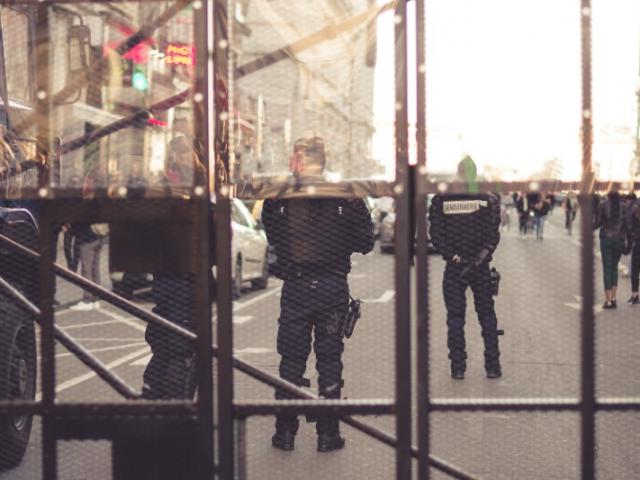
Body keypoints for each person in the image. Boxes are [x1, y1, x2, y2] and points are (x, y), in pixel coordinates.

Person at [262, 136, 374, 452]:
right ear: (323, 161)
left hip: (296, 287)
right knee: (330, 360)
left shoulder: (279, 198)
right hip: (332, 285)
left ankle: (285, 432)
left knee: (291, 361)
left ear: (297, 161)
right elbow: (365, 242)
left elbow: (273, 236)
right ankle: (328, 433)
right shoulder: (345, 196)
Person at [429, 156, 502, 380]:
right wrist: (479, 259)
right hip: (479, 267)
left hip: (454, 267)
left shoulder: (442, 198)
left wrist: (454, 257)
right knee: (487, 316)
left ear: (458, 172)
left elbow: (436, 234)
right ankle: (492, 366)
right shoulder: (486, 198)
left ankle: (458, 367)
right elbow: (493, 235)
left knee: (455, 319)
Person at [593, 187, 631, 309]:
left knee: (607, 269)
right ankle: (614, 299)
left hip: (606, 240)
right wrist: (628, 244)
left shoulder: (603, 204)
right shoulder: (625, 206)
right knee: (614, 269)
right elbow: (628, 226)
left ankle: (608, 301)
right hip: (619, 240)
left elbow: (597, 222)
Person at [628, 194, 640, 305]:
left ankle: (635, 294)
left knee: (635, 269)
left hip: (638, 242)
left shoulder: (634, 205)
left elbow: (629, 225)